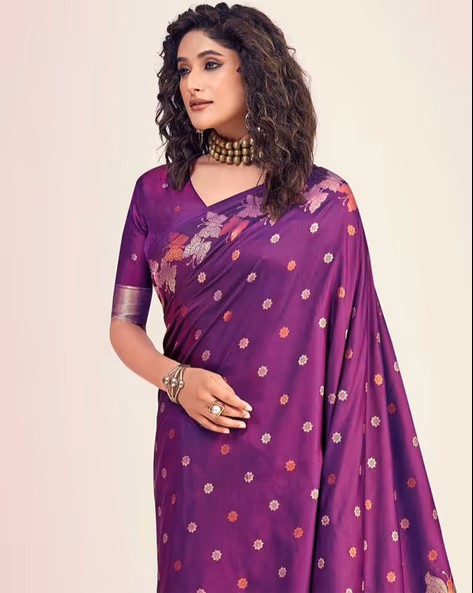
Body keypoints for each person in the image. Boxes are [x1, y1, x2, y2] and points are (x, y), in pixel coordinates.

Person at [109, 3, 456, 592]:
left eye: (211, 64)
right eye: (183, 69)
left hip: (298, 452)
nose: (192, 83)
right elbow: (123, 324)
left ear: (253, 70)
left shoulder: (324, 202)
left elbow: (356, 357)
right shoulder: (156, 194)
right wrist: (176, 380)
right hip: (194, 440)